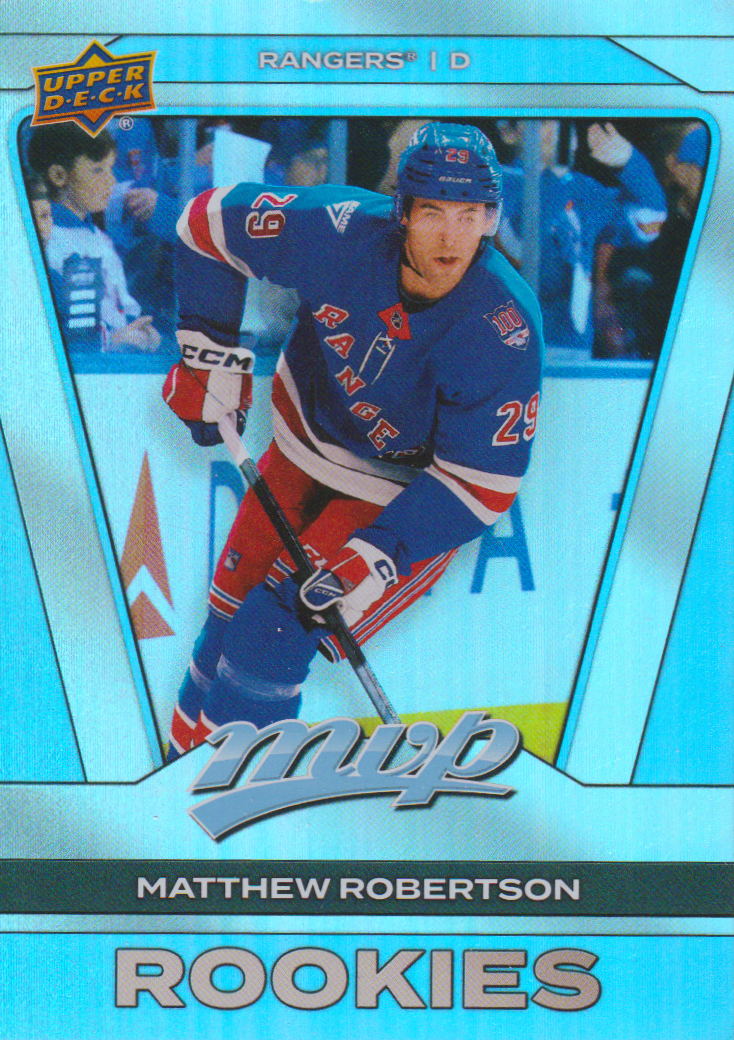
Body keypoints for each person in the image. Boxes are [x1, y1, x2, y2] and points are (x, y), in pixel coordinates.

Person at [162, 122, 544, 761]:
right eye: (434, 213)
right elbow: (206, 224)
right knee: (221, 630)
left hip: (402, 494)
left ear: (491, 217)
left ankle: (244, 796)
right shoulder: (337, 230)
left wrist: (375, 555)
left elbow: (481, 484)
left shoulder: (503, 325)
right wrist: (209, 351)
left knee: (271, 634)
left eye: (471, 214)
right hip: (305, 442)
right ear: (403, 211)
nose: (452, 237)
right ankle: (179, 784)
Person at [497, 120, 667, 352]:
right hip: (509, 345)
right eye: (543, 121)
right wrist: (554, 176)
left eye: (564, 121)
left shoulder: (584, 189)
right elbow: (523, 252)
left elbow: (650, 220)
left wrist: (631, 163)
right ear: (507, 132)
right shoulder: (494, 182)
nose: (557, 129)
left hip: (573, 345)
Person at [26, 123, 161, 353]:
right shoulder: (48, 240)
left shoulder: (98, 237)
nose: (112, 181)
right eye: (98, 170)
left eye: (111, 169)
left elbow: (122, 303)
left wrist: (141, 328)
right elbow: (68, 334)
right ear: (59, 175)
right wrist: (113, 342)